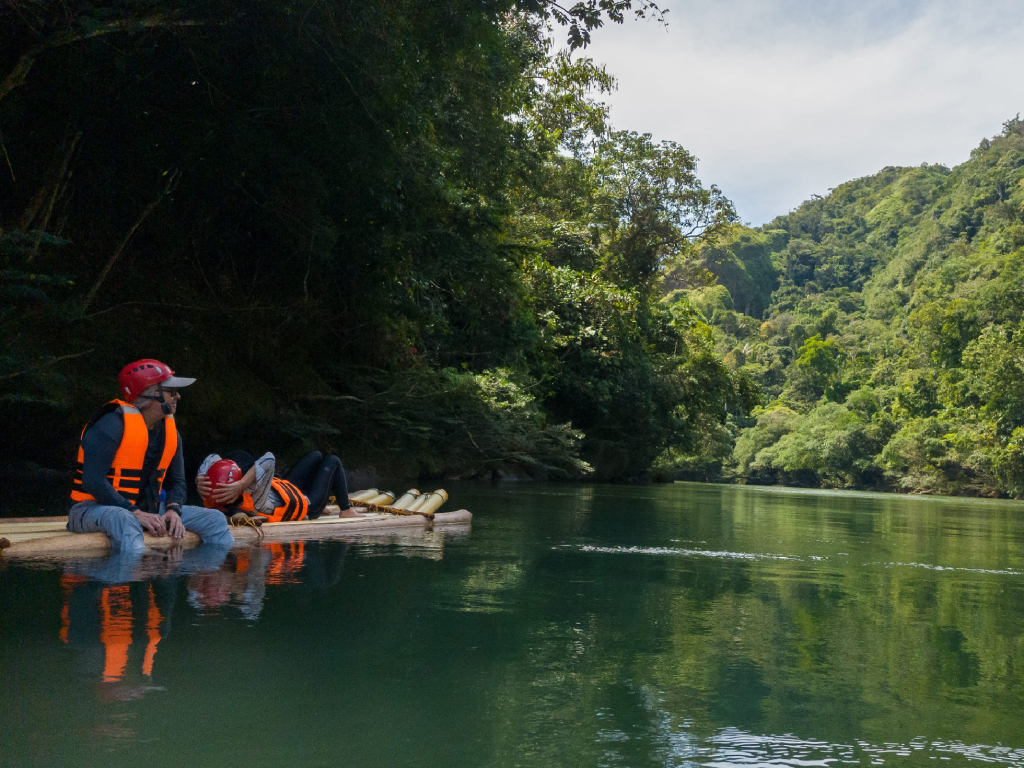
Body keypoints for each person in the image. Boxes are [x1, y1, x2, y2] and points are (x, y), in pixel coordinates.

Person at [68, 359, 234, 552]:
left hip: (146, 510)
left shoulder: (171, 433)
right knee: (124, 519)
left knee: (215, 519)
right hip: (91, 510)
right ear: (148, 394)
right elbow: (93, 481)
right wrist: (135, 512)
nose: (178, 396)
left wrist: (173, 509)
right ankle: (140, 571)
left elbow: (177, 482)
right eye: (171, 391)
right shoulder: (110, 425)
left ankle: (219, 575)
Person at [196, 450, 361, 521]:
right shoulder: (254, 497)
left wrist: (200, 478)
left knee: (315, 455)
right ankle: (345, 510)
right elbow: (269, 458)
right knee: (333, 461)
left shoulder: (211, 495)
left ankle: (323, 500)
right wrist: (242, 484)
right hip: (305, 506)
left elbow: (213, 456)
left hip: (282, 489)